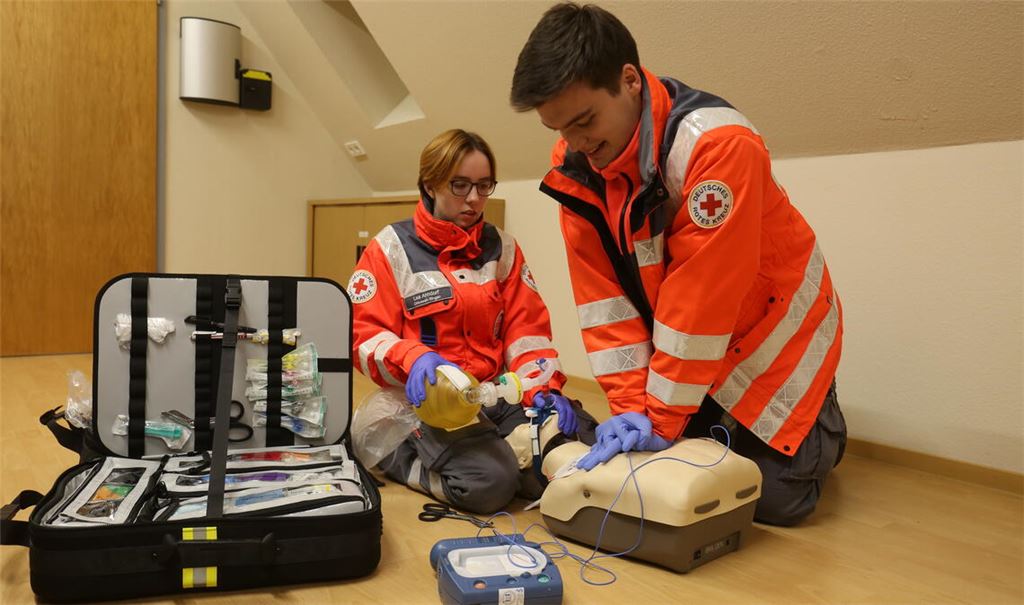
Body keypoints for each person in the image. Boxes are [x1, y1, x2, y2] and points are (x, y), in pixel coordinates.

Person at [510, 3, 846, 526]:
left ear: (629, 82)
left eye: (584, 121)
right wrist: (628, 408)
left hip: (775, 340)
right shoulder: (577, 166)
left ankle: (822, 421)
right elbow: (604, 303)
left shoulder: (717, 147)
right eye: (558, 129)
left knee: (776, 502)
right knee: (670, 479)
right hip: (697, 348)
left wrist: (662, 418)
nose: (576, 144)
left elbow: (700, 301)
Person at [348, 129, 595, 514]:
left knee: (573, 453)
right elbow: (363, 335)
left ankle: (503, 452)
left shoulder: (503, 247)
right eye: (460, 185)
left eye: (484, 185)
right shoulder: (390, 248)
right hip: (431, 404)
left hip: (496, 392)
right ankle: (397, 454)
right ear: (430, 184)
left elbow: (526, 330)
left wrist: (542, 387)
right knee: (489, 487)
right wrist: (414, 357)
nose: (475, 199)